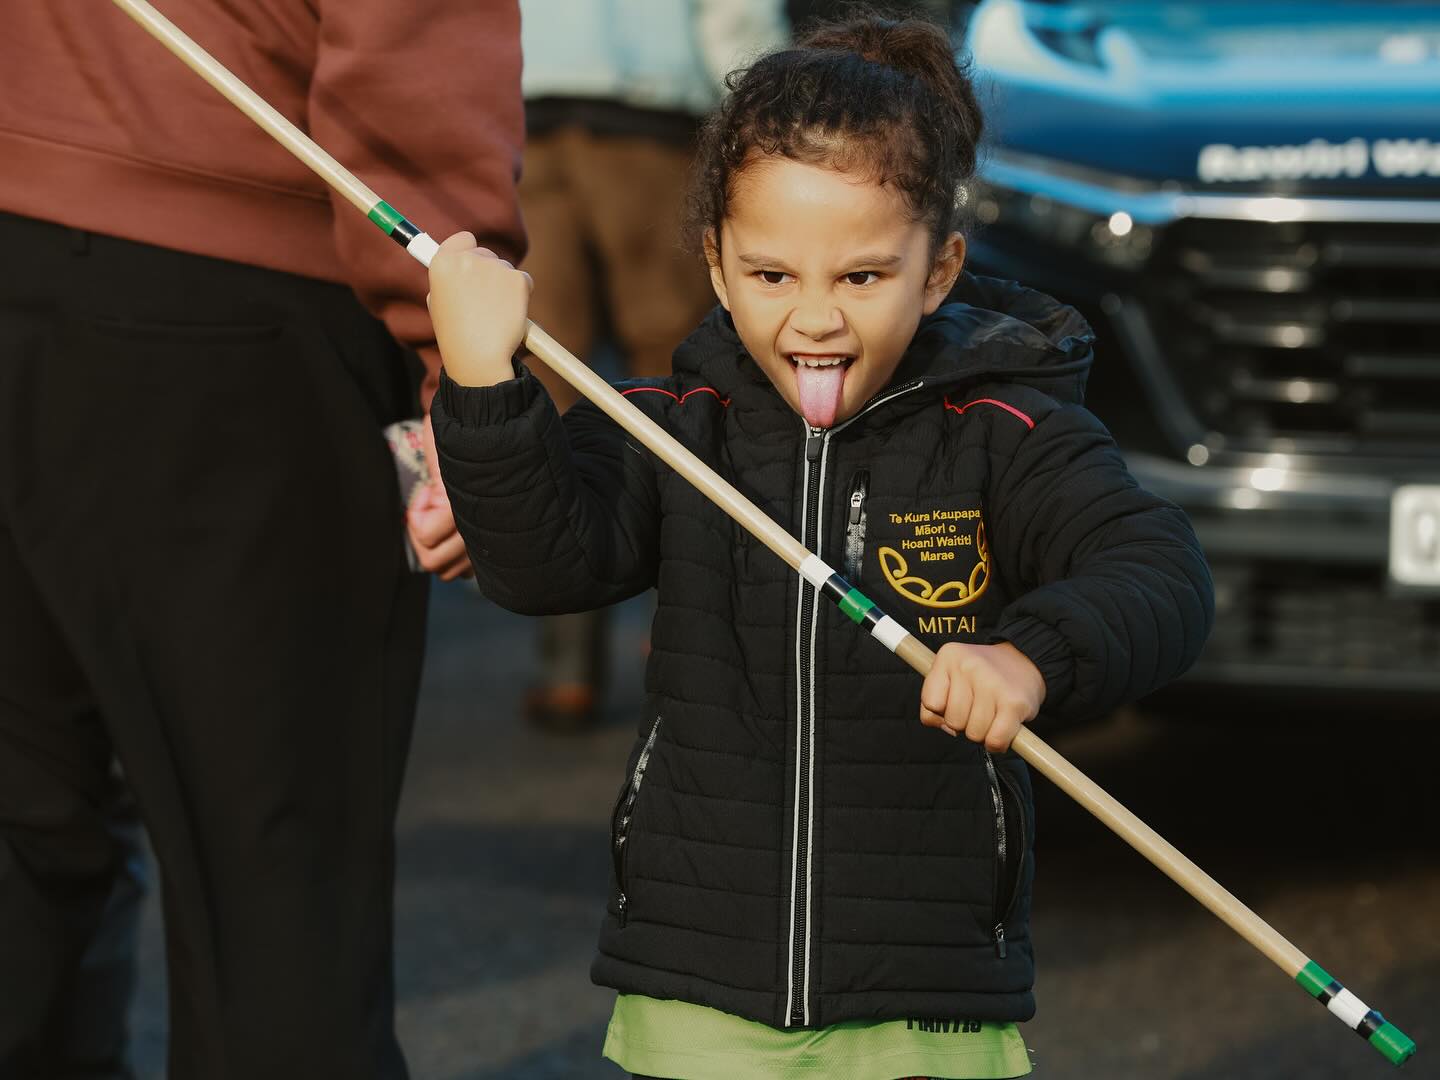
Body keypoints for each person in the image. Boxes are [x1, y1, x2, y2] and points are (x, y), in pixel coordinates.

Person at [428, 10, 1213, 1079]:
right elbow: (541, 562)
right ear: (714, 262)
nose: (816, 320)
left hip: (926, 997)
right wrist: (485, 390)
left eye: (861, 277)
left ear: (939, 272)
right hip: (698, 990)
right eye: (771, 276)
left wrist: (1032, 654)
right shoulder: (677, 420)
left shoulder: (1006, 432)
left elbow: (1160, 573)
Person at [0, 1, 524, 1077]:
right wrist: (464, 372)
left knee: (20, 829)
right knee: (275, 885)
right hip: (234, 309)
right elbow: (405, 63)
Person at [515, 0, 788, 731]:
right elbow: (735, 17)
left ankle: (565, 667)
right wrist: (766, 129)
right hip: (651, 120)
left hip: (524, 112)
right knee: (684, 385)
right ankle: (686, 641)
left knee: (550, 379)